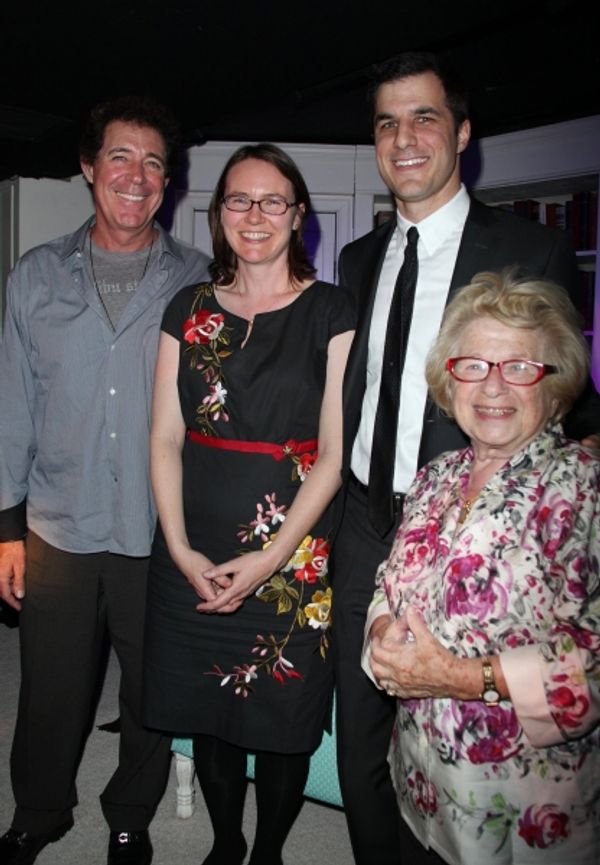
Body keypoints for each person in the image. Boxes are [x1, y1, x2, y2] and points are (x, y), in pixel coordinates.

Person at [332, 50, 600, 865]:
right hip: (366, 520)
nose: (403, 138)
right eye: (386, 122)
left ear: (462, 133)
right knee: (362, 741)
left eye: (425, 117)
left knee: (483, 720)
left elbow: (570, 394)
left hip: (483, 528)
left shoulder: (530, 248)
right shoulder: (357, 259)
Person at [0, 96, 210, 865]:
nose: (137, 176)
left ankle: (129, 815)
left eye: (154, 163)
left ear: (167, 182)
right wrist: (5, 529)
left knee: (150, 690)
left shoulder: (197, 279)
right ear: (89, 167)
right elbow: (12, 403)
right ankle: (40, 810)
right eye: (120, 156)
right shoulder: (35, 275)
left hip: (158, 528)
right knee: (50, 686)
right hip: (58, 525)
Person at [142, 143, 354, 865]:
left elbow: (334, 454)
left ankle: (267, 852)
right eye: (239, 199)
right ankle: (226, 843)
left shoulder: (334, 310)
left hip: (293, 551)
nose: (255, 214)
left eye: (272, 201)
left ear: (298, 215)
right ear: (219, 212)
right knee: (208, 708)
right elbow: (165, 435)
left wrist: (270, 558)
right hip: (192, 545)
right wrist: (178, 548)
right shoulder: (187, 306)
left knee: (284, 717)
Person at [363, 270, 600, 865]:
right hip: (421, 788)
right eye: (473, 365)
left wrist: (456, 677)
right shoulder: (435, 476)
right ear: (450, 381)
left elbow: (594, 664)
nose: (493, 385)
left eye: (519, 366)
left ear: (554, 384)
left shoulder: (584, 488)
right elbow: (388, 582)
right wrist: (381, 634)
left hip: (523, 814)